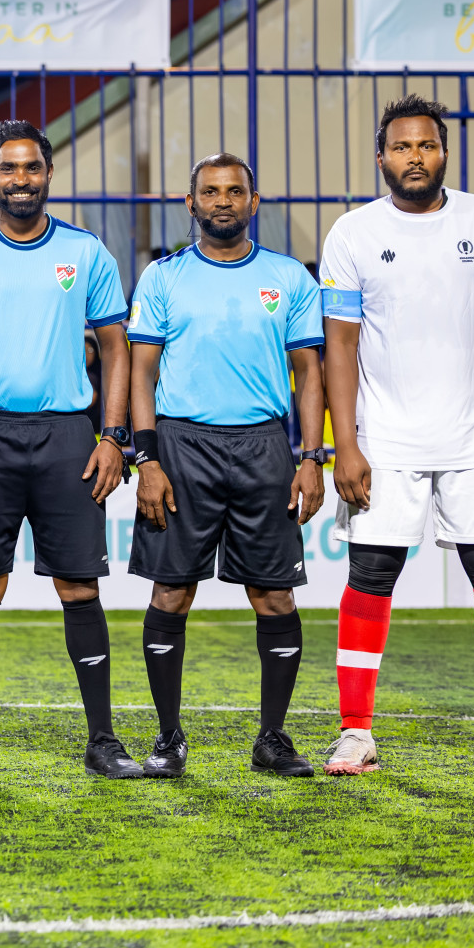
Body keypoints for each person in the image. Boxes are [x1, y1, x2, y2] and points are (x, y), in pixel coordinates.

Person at [321, 94, 474, 778]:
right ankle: (355, 731)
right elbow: (339, 342)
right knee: (371, 576)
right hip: (385, 441)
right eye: (401, 147)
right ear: (382, 156)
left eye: (426, 145)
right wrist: (347, 444)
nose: (413, 157)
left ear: (443, 152)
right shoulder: (352, 233)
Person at [0, 119, 139, 781]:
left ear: (48, 175)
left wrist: (113, 438)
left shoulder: (87, 252)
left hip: (68, 436)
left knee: (79, 586)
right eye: (9, 169)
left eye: (32, 168)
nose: (21, 179)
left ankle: (103, 740)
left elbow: (115, 349)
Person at [127, 152, 325, 780]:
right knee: (171, 591)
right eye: (210, 191)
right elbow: (141, 371)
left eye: (234, 191)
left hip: (264, 448)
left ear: (253, 202)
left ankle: (272, 738)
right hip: (182, 446)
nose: (222, 201)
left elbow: (310, 373)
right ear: (191, 204)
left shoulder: (290, 277)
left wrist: (311, 455)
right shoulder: (162, 279)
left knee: (274, 597)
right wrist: (146, 457)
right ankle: (168, 739)